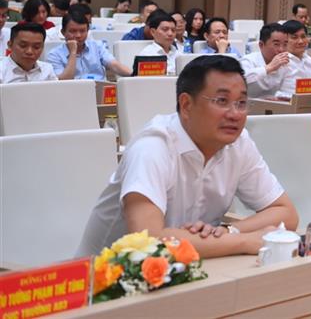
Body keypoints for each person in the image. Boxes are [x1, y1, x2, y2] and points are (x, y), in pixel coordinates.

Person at [76, 55, 298, 258]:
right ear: (186, 105)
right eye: (221, 101)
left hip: (190, 268)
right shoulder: (152, 147)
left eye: (241, 103)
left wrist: (228, 231)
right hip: (106, 282)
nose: (235, 114)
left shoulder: (239, 144)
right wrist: (243, 241)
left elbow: (286, 214)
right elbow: (148, 242)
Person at [47, 7, 132, 80]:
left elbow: (114, 65)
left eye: (82, 31)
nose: (78, 35)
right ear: (63, 32)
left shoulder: (97, 46)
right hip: (72, 93)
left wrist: (134, 75)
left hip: (99, 89)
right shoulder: (54, 55)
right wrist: (73, 52)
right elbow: (64, 81)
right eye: (73, 31)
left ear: (88, 31)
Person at [239, 23, 292, 99]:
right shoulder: (248, 60)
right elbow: (240, 80)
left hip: (276, 107)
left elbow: (288, 91)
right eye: (276, 44)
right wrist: (269, 68)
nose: (281, 49)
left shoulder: (287, 63)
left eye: (285, 44)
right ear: (261, 45)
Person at [275, 19, 311, 98]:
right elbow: (272, 93)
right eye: (294, 37)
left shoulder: (310, 61)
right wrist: (294, 99)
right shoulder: (279, 62)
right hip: (288, 107)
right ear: (284, 41)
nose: (301, 41)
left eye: (303, 36)